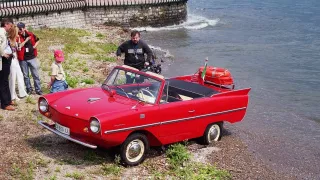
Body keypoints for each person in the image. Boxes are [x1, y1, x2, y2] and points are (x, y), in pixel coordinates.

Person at [16, 22, 42, 95]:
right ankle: (29, 89)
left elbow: (38, 40)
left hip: (32, 57)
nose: (19, 30)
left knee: (35, 74)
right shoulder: (17, 36)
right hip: (23, 59)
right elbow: (19, 46)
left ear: (24, 28)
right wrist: (26, 40)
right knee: (26, 75)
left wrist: (34, 46)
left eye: (20, 29)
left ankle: (38, 89)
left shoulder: (31, 34)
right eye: (18, 29)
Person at [8, 25, 28, 101]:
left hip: (15, 59)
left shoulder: (16, 39)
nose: (18, 33)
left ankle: (22, 92)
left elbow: (18, 49)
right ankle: (12, 95)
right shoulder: (8, 40)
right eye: (16, 32)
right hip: (11, 60)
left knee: (20, 75)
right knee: (12, 78)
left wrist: (18, 43)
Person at [0, 18, 15, 111]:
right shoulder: (1, 33)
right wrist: (2, 54)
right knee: (3, 81)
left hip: (7, 59)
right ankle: (5, 103)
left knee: (5, 80)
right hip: (3, 59)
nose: (10, 27)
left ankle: (8, 100)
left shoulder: (3, 32)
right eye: (10, 25)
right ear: (6, 24)